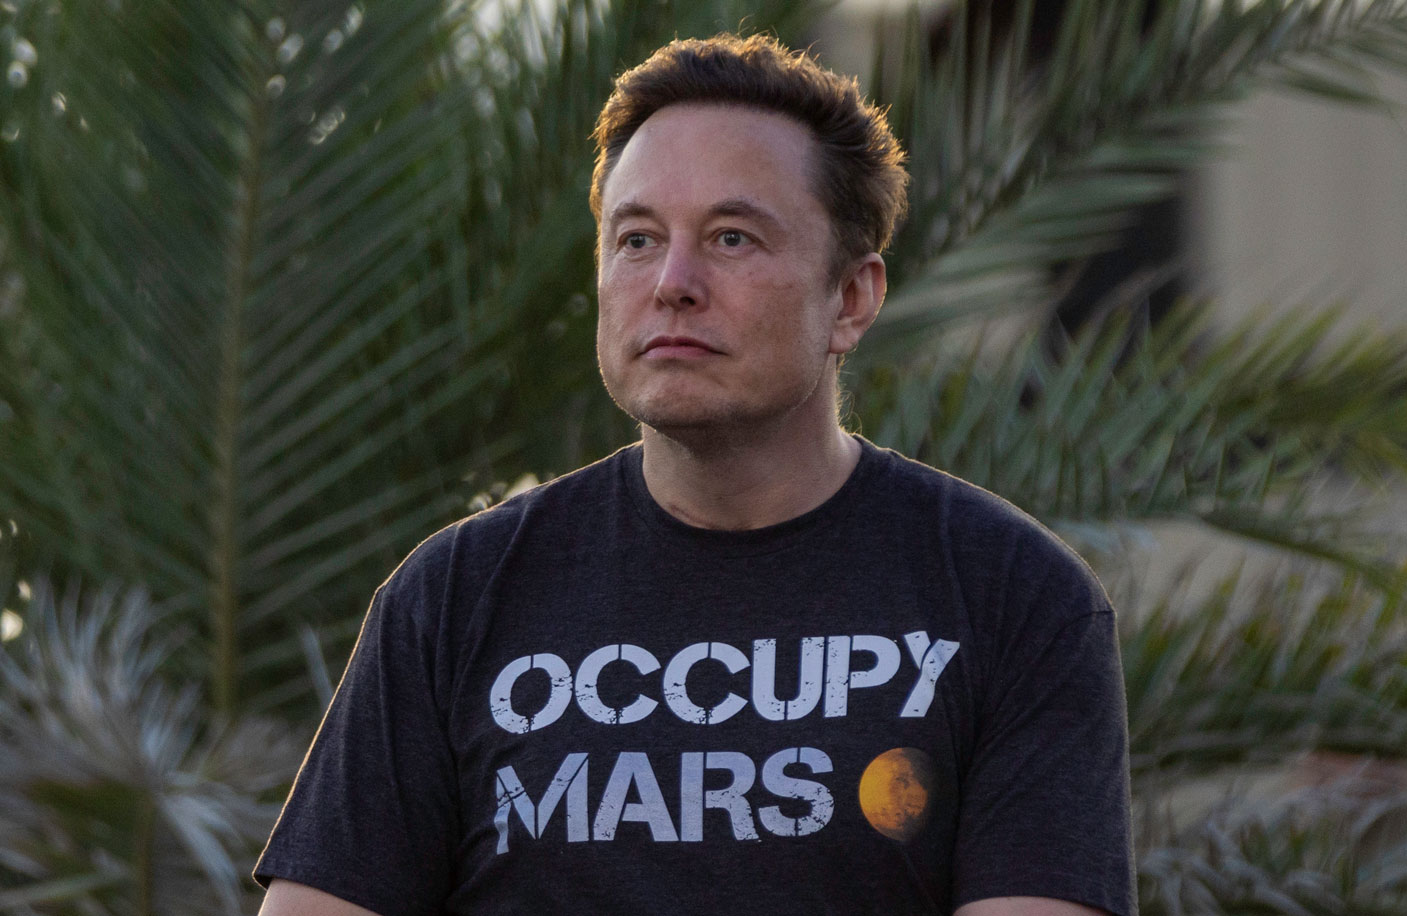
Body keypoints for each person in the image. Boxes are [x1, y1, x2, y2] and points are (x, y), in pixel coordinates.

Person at [255, 33, 1134, 916]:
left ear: (851, 298)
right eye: (637, 239)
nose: (673, 282)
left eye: (732, 238)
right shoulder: (454, 597)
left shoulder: (1011, 598)